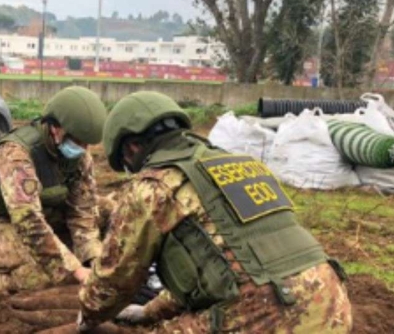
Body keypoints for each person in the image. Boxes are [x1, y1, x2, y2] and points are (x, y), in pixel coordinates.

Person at [68, 91, 352, 333]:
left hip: (268, 317)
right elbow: (221, 268)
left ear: (132, 147)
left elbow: (115, 277)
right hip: (332, 307)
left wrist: (89, 314)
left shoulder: (153, 186)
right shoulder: (246, 166)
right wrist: (150, 311)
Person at [0, 86, 108, 295]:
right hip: (5, 217)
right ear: (55, 128)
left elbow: (83, 212)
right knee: (33, 280)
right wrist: (76, 270)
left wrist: (94, 259)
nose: (83, 150)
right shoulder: (16, 155)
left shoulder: (79, 158)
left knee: (114, 210)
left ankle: (64, 250)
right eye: (77, 142)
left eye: (87, 144)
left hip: (49, 209)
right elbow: (28, 220)